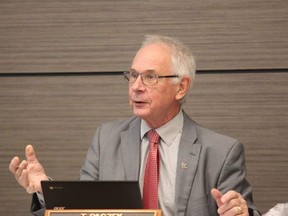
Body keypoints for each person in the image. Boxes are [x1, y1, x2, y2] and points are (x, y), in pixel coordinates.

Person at [9, 35, 261, 216]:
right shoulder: (106, 139)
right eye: (133, 75)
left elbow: (243, 210)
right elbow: (79, 211)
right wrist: (45, 189)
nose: (136, 86)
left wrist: (241, 213)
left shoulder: (221, 152)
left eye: (150, 77)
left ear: (181, 87)